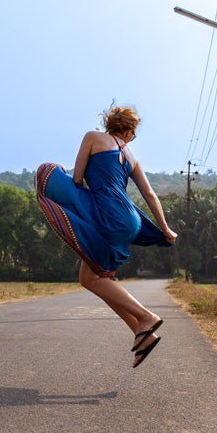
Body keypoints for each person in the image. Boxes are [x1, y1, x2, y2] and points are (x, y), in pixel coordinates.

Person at [35, 105, 178, 368]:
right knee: (92, 278)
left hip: (110, 217)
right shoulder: (132, 157)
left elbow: (77, 179)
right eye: (134, 134)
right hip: (130, 219)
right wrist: (165, 228)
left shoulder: (92, 137)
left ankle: (146, 317)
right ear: (129, 130)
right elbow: (150, 195)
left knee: (47, 173)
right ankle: (140, 332)